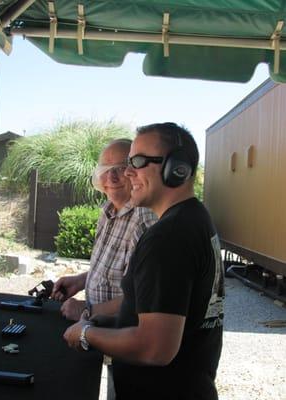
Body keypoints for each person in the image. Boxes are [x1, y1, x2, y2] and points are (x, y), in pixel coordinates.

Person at [64, 123, 224, 400]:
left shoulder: (167, 236)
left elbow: (155, 348)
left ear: (178, 169)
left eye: (137, 162)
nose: (127, 172)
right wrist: (109, 322)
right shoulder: (195, 217)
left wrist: (86, 333)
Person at [52, 138, 157, 321]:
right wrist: (80, 281)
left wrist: (87, 311)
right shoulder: (107, 211)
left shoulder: (144, 220)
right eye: (105, 170)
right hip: (95, 331)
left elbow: (143, 299)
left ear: (134, 172)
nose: (111, 177)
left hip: (118, 337)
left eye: (120, 169)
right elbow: (115, 275)